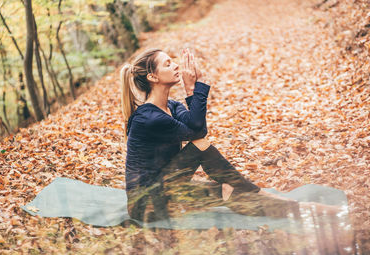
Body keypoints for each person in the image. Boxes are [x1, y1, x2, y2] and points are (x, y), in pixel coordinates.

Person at [120, 48, 341, 223]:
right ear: (152, 77)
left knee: (228, 190)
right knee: (200, 144)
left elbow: (196, 126)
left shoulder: (171, 106)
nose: (176, 65)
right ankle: (262, 194)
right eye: (168, 64)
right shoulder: (148, 118)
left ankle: (300, 210)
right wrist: (191, 89)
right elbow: (198, 133)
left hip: (168, 190)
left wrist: (194, 88)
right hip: (146, 203)